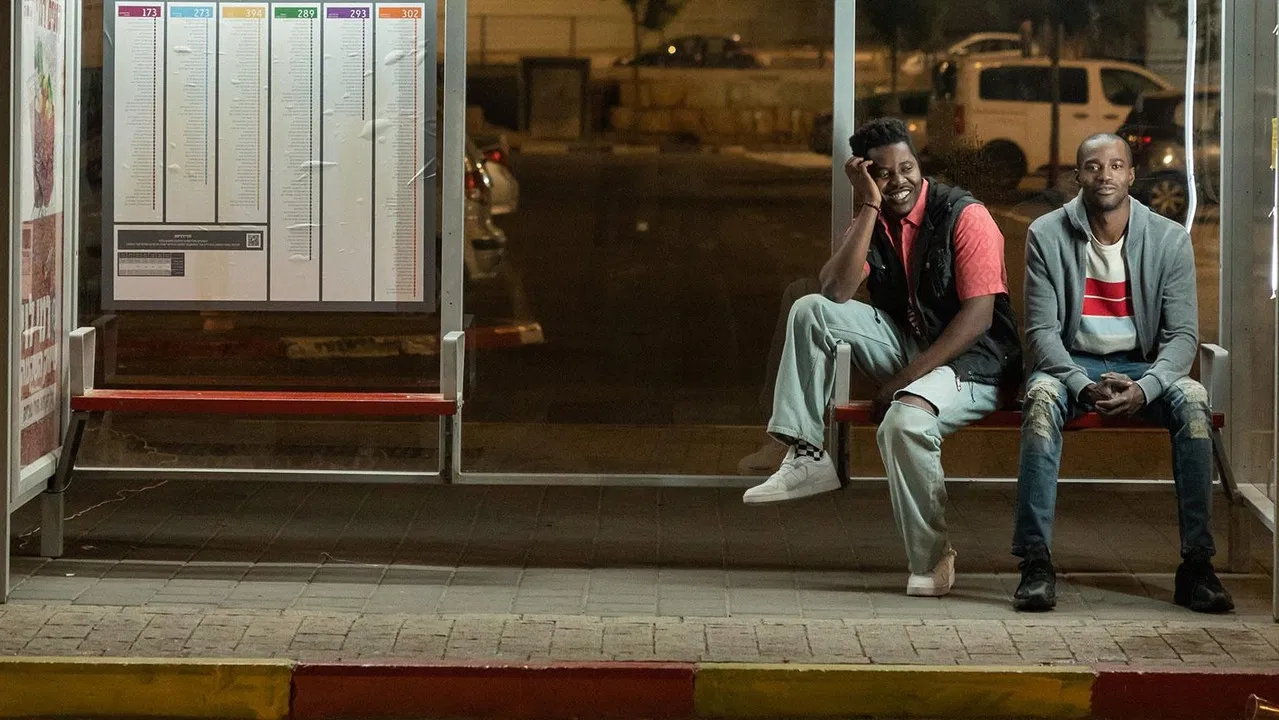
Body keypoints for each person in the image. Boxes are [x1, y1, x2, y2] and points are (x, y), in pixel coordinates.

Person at [742, 118, 1022, 597]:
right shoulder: (876, 217)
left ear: (919, 165)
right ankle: (808, 453)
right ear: (869, 176)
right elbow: (835, 290)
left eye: (907, 167)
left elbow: (978, 319)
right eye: (885, 174)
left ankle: (932, 559)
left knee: (903, 423)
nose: (900, 181)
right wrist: (869, 204)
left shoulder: (964, 215)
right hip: (911, 350)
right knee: (810, 309)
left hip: (976, 362)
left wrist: (899, 384)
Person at [1012, 133, 1233, 614]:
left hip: (1144, 365)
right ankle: (1035, 560)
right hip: (1072, 363)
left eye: (1116, 165)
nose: (1104, 175)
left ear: (1132, 175)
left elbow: (1182, 337)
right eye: (1093, 166)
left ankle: (1197, 565)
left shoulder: (1169, 238)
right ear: (1078, 177)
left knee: (1194, 403)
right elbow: (1042, 333)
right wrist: (1082, 385)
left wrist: (1146, 386)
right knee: (1043, 400)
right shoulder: (1047, 235)